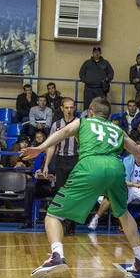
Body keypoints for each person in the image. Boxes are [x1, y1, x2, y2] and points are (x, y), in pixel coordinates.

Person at [21, 97, 140, 278]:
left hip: (90, 165)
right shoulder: (118, 129)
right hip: (115, 168)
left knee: (53, 215)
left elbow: (64, 131)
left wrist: (41, 147)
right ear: (107, 117)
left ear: (91, 112)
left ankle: (57, 255)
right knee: (124, 214)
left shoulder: (83, 121)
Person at [89, 142, 140, 232]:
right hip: (130, 188)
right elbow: (122, 181)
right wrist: (135, 185)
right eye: (138, 149)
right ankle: (97, 218)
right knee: (114, 193)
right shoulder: (127, 161)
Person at [38, 98, 79, 231]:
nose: (69, 110)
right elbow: (51, 146)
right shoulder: (56, 125)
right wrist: (46, 165)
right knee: (60, 192)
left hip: (75, 159)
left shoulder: (79, 123)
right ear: (61, 108)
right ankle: (61, 224)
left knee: (73, 193)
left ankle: (71, 225)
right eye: (66, 107)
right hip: (60, 159)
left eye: (71, 107)